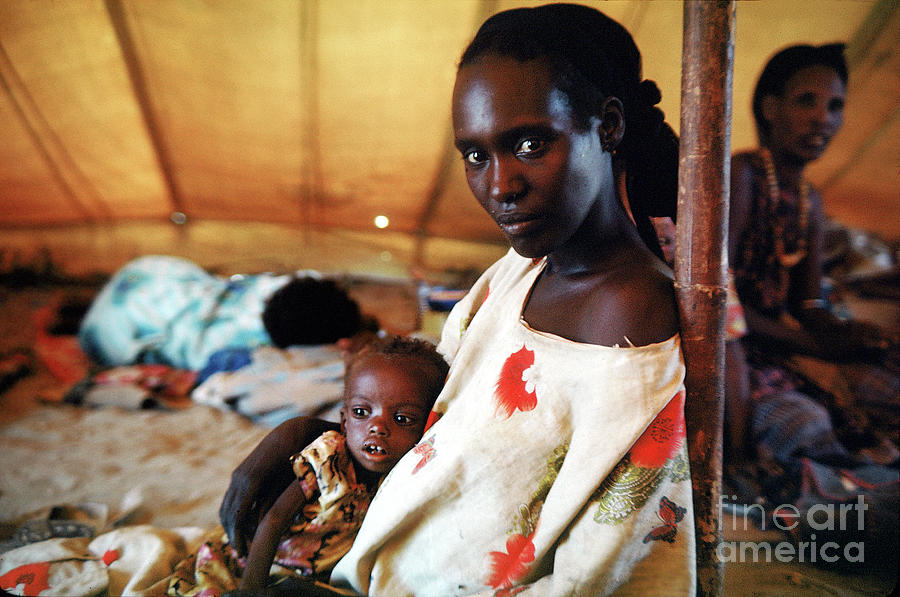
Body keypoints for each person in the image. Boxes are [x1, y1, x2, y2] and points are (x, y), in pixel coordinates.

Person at [220, 4, 692, 595]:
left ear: (609, 127)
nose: (499, 186)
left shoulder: (631, 318)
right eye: (475, 155)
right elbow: (431, 427)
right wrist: (303, 433)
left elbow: (610, 568)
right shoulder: (514, 274)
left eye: (528, 144)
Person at [726, 43, 899, 469]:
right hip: (730, 353)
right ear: (770, 107)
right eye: (807, 101)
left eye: (835, 105)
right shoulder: (742, 174)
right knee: (805, 426)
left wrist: (848, 334)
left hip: (779, 347)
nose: (824, 118)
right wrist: (813, 344)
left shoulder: (810, 201)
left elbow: (806, 305)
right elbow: (718, 300)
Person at [166, 336, 449, 596]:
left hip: (307, 571)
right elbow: (275, 519)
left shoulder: (404, 474)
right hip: (256, 559)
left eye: (402, 419)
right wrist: (252, 588)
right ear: (344, 421)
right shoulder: (329, 459)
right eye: (362, 412)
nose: (377, 427)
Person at [78, 256, 373, 371]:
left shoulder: (277, 290)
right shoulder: (228, 348)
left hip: (142, 273)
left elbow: (306, 284)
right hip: (121, 318)